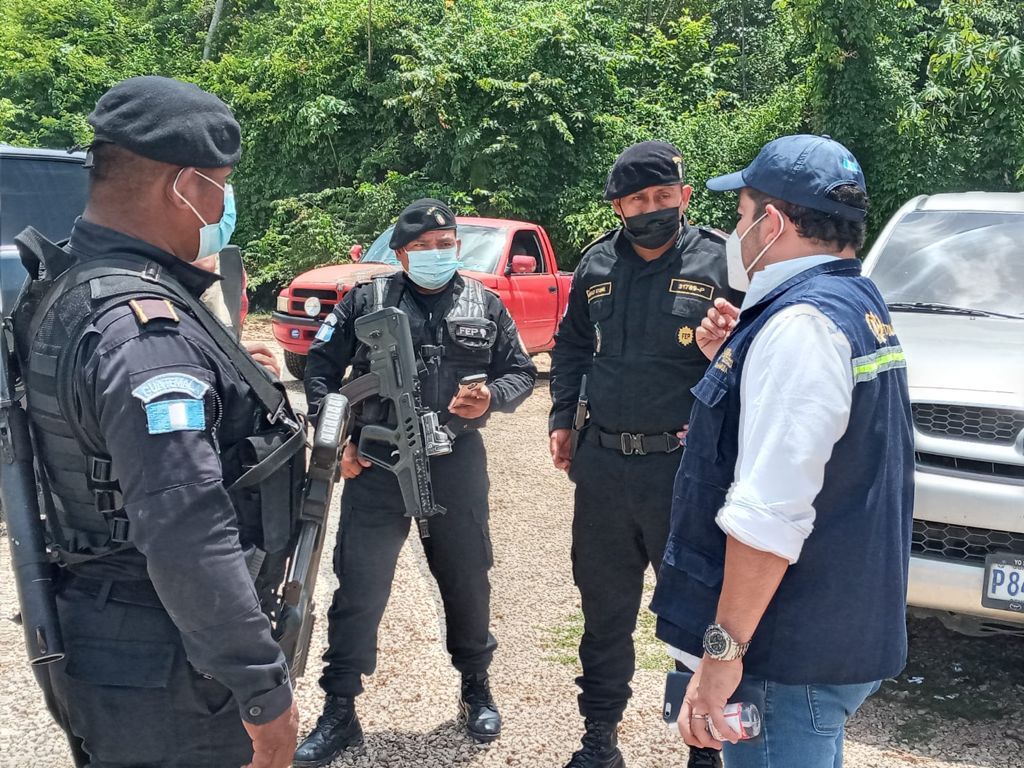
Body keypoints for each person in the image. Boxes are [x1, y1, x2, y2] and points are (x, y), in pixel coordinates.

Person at [12, 76, 301, 768]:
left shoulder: (72, 284)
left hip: (123, 641)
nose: (225, 204)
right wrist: (261, 692)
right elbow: (186, 526)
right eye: (221, 186)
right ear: (184, 187)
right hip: (170, 666)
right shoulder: (144, 334)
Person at [650, 134, 915, 768]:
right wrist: (734, 361)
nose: (734, 232)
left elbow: (770, 515)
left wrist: (723, 654)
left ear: (771, 223)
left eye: (741, 214)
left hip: (785, 653)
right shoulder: (854, 302)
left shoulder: (800, 327)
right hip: (832, 631)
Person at [297, 198, 537, 767]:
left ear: (457, 246)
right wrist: (338, 439)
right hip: (377, 463)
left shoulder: (484, 301)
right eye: (422, 247)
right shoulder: (365, 300)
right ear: (401, 254)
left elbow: (522, 372)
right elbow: (320, 370)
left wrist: (490, 398)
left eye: (444, 244)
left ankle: (475, 687)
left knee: (467, 578)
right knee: (360, 585)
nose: (435, 253)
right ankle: (339, 708)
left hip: (454, 462)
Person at [549, 141, 741, 768]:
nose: (652, 208)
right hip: (603, 467)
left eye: (664, 196)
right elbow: (572, 347)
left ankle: (704, 751)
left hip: (684, 472)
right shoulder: (596, 263)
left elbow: (752, 360)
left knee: (696, 614)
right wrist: (562, 418)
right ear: (618, 206)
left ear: (684, 195)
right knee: (604, 613)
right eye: (638, 200)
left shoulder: (722, 262)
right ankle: (598, 740)